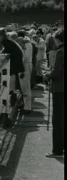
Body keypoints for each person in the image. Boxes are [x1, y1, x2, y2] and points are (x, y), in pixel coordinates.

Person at [43, 28, 64, 158]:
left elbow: (56, 73)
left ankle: (57, 150)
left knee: (57, 120)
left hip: (60, 88)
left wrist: (47, 75)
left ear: (57, 39)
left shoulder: (60, 52)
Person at [0, 28, 25, 108]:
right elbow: (7, 49)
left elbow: (6, 50)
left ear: (1, 36)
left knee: (12, 78)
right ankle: (15, 98)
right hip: (17, 60)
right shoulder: (9, 40)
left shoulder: (5, 41)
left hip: (15, 61)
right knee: (13, 80)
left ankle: (14, 97)